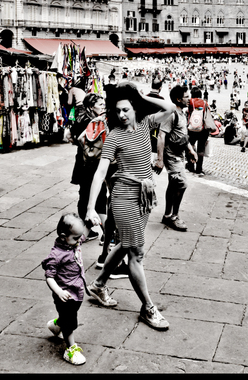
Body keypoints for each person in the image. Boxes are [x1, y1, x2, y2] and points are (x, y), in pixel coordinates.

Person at [84, 82, 177, 331]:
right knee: (136, 253)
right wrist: (91, 208)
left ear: (135, 108)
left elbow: (170, 108)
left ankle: (98, 285)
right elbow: (101, 170)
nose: (121, 115)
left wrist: (142, 95)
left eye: (126, 109)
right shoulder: (114, 136)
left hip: (144, 195)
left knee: (125, 245)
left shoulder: (146, 124)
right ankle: (148, 308)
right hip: (124, 196)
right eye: (117, 111)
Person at [42, 213, 89, 365]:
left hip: (77, 291)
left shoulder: (72, 242)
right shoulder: (56, 255)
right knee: (70, 322)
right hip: (65, 294)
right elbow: (49, 276)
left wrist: (90, 225)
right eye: (76, 238)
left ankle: (56, 325)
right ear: (63, 236)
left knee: (70, 315)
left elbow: (83, 236)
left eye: (79, 237)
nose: (79, 241)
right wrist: (59, 291)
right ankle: (70, 350)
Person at [155, 84, 197, 231]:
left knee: (173, 184)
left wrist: (191, 150)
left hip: (180, 154)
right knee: (182, 183)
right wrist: (160, 160)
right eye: (186, 96)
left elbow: (183, 136)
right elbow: (161, 136)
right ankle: (174, 216)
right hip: (172, 155)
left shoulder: (182, 114)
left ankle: (167, 215)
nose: (189, 99)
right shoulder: (172, 114)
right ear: (178, 99)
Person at [70, 93, 110, 237]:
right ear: (91, 106)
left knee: (85, 196)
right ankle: (107, 234)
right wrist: (91, 150)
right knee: (99, 198)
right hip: (91, 164)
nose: (103, 106)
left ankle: (84, 232)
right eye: (100, 104)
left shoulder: (81, 118)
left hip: (82, 163)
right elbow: (81, 138)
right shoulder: (93, 121)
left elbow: (70, 136)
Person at [185, 87, 210, 176]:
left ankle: (191, 166)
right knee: (201, 149)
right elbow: (208, 116)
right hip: (202, 129)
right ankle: (199, 169)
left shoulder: (190, 102)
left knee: (190, 146)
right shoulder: (205, 103)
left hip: (192, 128)